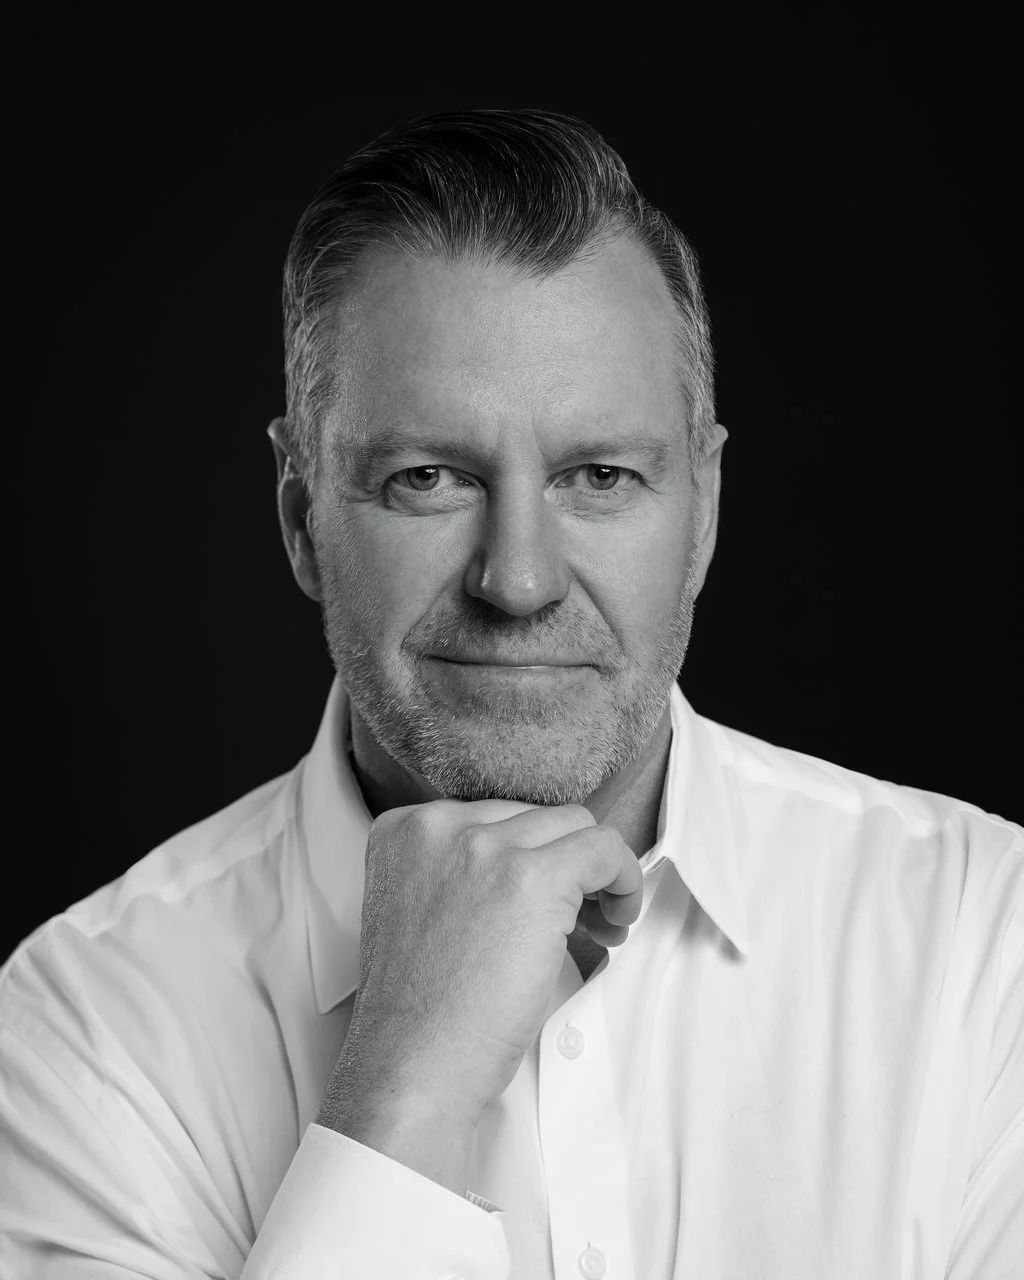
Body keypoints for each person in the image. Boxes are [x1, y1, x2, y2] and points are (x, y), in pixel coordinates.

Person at [1, 108, 1020, 1280]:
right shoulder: (78, 1030)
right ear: (299, 518)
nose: (519, 579)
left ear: (705, 512)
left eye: (601, 475)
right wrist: (402, 1084)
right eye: (428, 477)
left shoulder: (982, 943)